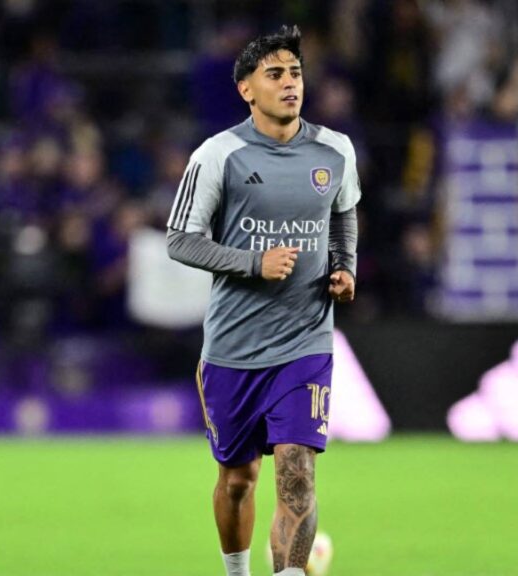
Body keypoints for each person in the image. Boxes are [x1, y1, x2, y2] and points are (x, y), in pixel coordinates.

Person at [165, 26, 360, 576]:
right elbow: (180, 239)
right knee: (237, 481)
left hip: (305, 340)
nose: (290, 83)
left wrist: (344, 265)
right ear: (246, 89)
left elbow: (343, 212)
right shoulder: (217, 155)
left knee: (297, 470)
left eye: (295, 72)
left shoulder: (335, 151)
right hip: (234, 347)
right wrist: (254, 262)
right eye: (274, 75)